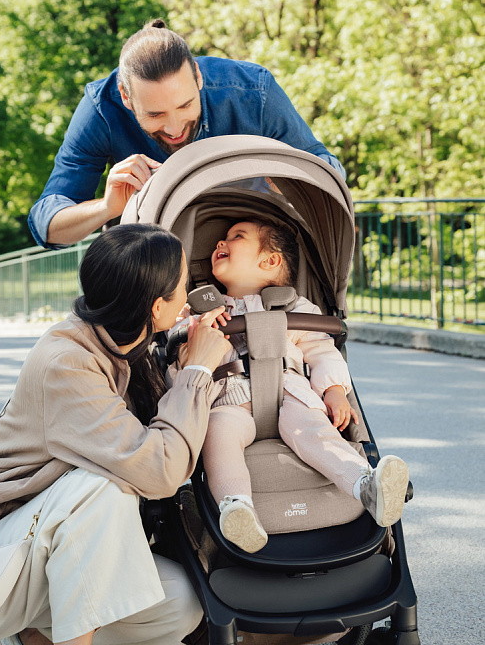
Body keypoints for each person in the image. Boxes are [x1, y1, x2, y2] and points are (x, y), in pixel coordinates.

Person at [0, 224, 231, 645]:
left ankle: (34, 636)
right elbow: (159, 469)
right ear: (157, 307)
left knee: (178, 604)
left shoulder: (125, 344)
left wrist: (181, 362)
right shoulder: (66, 362)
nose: (189, 295)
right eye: (183, 286)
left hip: (42, 554)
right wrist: (198, 371)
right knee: (101, 486)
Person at [170, 219, 410, 554]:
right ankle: (237, 508)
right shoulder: (202, 311)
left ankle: (366, 485)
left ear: (270, 261)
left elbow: (322, 351)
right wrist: (194, 327)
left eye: (236, 237)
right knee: (218, 434)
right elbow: (179, 359)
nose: (220, 243)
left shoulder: (297, 308)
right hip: (229, 399)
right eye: (221, 238)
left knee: (315, 430)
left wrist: (334, 390)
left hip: (291, 394)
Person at [28, 19, 345, 250]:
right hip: (153, 259)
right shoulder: (101, 109)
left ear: (197, 76)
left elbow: (328, 169)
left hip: (248, 248)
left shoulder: (254, 91)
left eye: (185, 105)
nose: (175, 128)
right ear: (126, 97)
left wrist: (294, 178)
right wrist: (108, 207)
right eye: (155, 114)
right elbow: (46, 225)